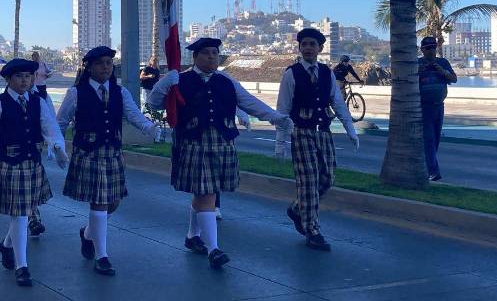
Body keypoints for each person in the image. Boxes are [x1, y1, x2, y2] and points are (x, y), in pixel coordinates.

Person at [149, 37, 287, 268]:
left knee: (205, 193)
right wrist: (164, 84)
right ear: (195, 57)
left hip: (222, 141)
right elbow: (154, 104)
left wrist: (275, 117)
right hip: (193, 141)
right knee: (207, 193)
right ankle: (213, 248)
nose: (212, 57)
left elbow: (249, 102)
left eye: (215, 53)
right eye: (206, 53)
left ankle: (193, 236)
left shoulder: (226, 80)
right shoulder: (179, 80)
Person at [0, 58, 69, 287]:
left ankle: (6, 246)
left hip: (31, 163)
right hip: (8, 164)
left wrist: (58, 146)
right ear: (8, 79)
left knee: (21, 214)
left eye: (28, 76)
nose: (25, 81)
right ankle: (22, 266)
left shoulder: (38, 101)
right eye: (19, 76)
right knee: (20, 215)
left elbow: (50, 127)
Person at [57, 46, 156, 276]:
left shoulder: (120, 92)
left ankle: (87, 233)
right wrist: (57, 146)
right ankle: (102, 256)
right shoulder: (76, 93)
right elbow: (61, 122)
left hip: (112, 152)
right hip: (88, 152)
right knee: (99, 202)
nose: (105, 67)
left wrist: (149, 127)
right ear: (89, 67)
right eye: (100, 63)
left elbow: (133, 115)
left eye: (109, 63)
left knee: (114, 201)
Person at [275, 28, 360, 252]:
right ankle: (312, 230)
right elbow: (282, 109)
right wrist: (280, 142)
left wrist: (350, 129)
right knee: (309, 182)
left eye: (312, 44)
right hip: (301, 132)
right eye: (304, 44)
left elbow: (337, 102)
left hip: (323, 131)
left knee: (327, 177)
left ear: (320, 48)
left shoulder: (326, 73)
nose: (307, 48)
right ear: (299, 48)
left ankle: (297, 208)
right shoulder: (291, 74)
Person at [418, 36, 457, 182]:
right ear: (422, 50)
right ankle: (433, 171)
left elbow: (454, 79)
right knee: (429, 139)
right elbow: (406, 81)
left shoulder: (443, 62)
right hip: (424, 107)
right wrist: (417, 72)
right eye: (428, 48)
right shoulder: (417, 63)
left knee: (435, 139)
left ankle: (427, 166)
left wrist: (442, 71)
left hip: (439, 106)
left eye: (433, 48)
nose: (431, 51)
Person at [26, 81, 58, 238]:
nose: (25, 79)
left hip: (35, 147)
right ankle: (33, 219)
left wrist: (54, 144)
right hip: (14, 151)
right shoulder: (6, 98)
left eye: (29, 75)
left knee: (31, 185)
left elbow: (51, 120)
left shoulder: (42, 97)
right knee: (24, 187)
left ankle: (32, 218)